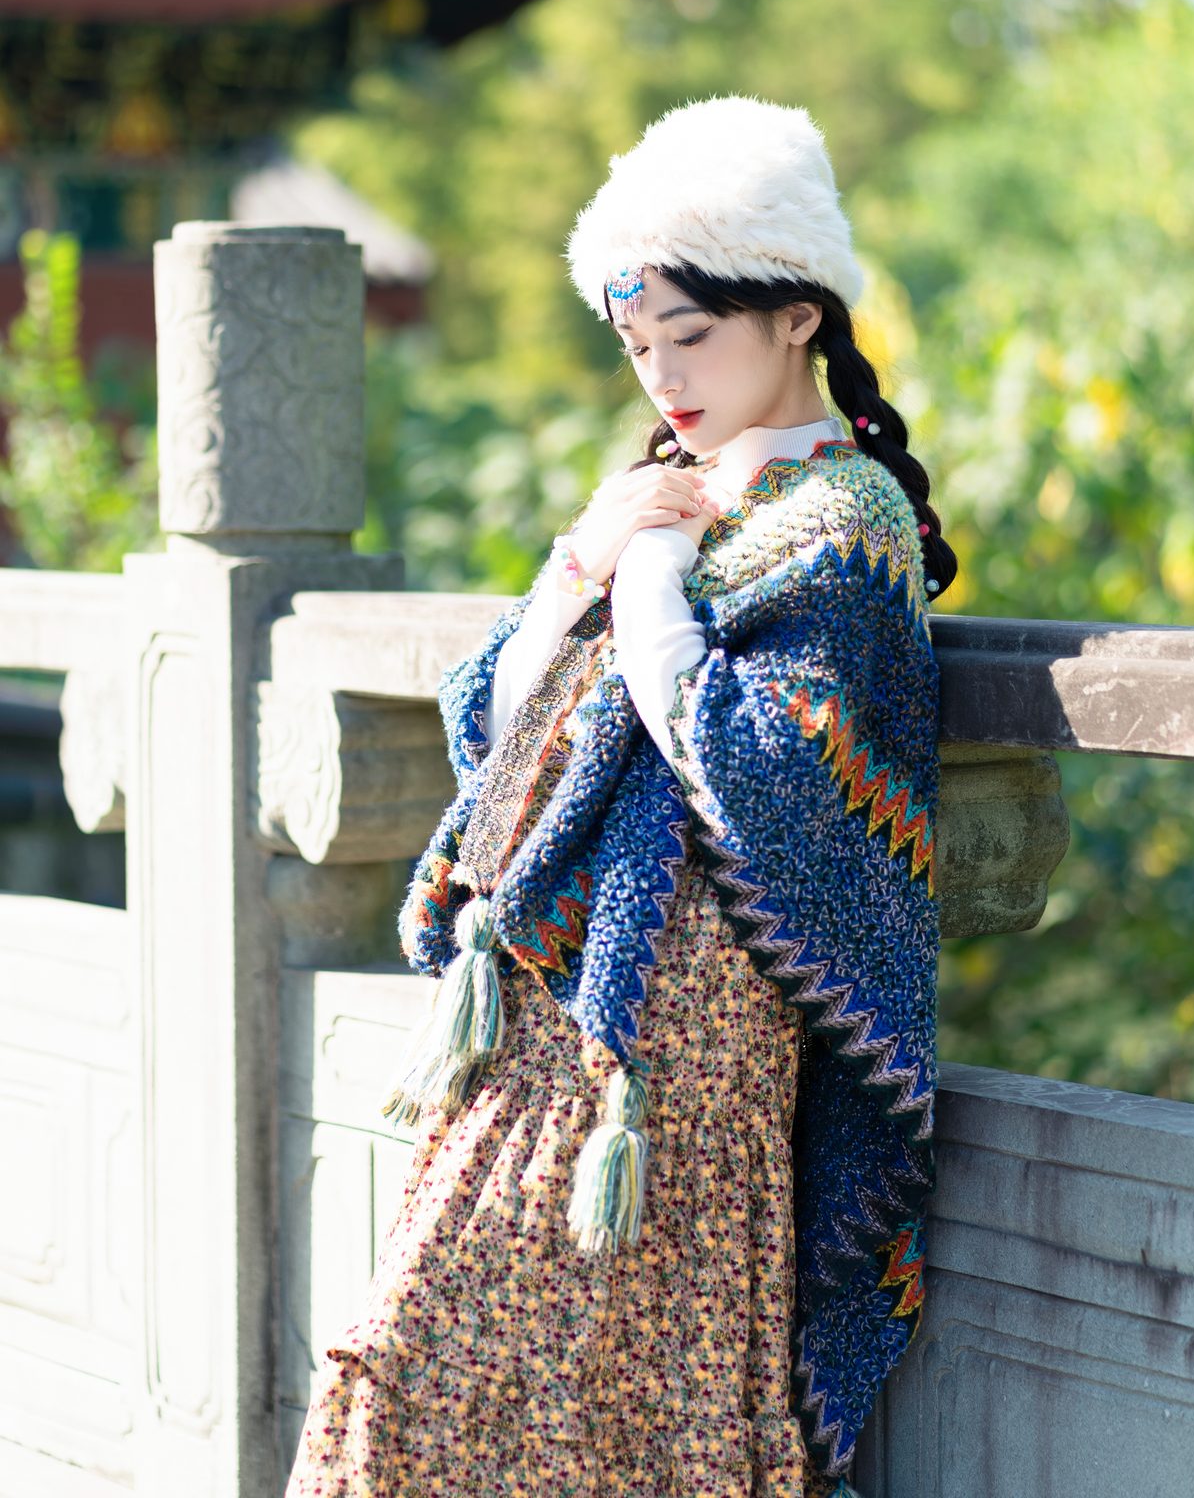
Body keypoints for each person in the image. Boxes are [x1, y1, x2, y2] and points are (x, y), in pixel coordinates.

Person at [285, 94, 953, 1498]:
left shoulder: (847, 521)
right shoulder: (663, 495)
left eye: (690, 337)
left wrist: (645, 573)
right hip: (554, 988)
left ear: (798, 316)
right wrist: (581, 564)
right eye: (641, 346)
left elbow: (753, 765)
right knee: (424, 1364)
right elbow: (497, 730)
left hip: (689, 1031)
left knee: (600, 1395)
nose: (664, 379)